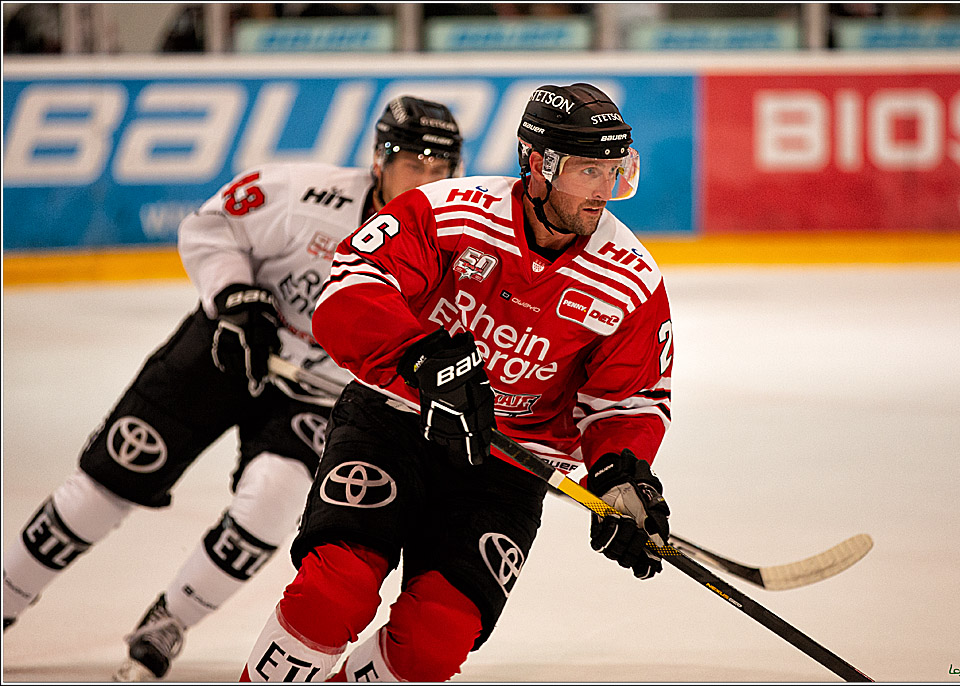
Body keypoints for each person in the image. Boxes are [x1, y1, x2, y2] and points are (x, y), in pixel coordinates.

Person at [1, 95, 464, 681]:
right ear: (378, 160)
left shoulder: (458, 248)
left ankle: (169, 619)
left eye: (438, 167)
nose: (423, 178)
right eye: (412, 162)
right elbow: (210, 223)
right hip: (227, 349)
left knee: (272, 502)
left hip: (317, 391)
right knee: (104, 483)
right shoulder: (303, 195)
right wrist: (236, 297)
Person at [239, 82, 674, 683]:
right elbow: (346, 290)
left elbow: (631, 398)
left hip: (508, 467)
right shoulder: (449, 212)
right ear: (537, 165)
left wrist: (621, 472)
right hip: (395, 422)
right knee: (331, 594)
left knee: (433, 643)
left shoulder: (631, 277)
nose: (604, 190)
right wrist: (423, 358)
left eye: (614, 170)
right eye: (587, 170)